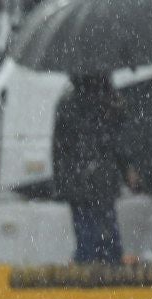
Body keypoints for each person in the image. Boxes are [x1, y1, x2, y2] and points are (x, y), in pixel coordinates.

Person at [52, 74, 128, 265]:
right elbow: (115, 142)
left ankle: (92, 273)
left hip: (81, 182)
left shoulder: (69, 104)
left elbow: (60, 150)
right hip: (98, 182)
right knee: (106, 242)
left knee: (88, 242)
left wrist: (63, 182)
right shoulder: (109, 102)